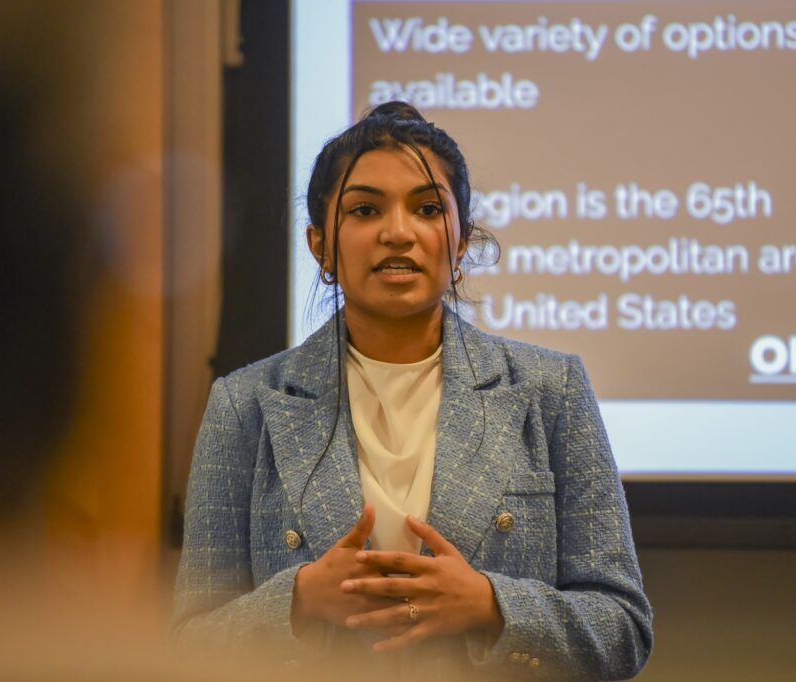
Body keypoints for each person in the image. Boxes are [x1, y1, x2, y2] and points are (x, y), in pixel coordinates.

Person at [173, 102, 653, 680]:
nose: (397, 232)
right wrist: (297, 601)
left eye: (427, 209)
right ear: (320, 245)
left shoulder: (551, 390)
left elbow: (622, 630)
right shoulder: (244, 404)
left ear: (461, 243)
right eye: (365, 209)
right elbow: (189, 648)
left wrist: (492, 607)